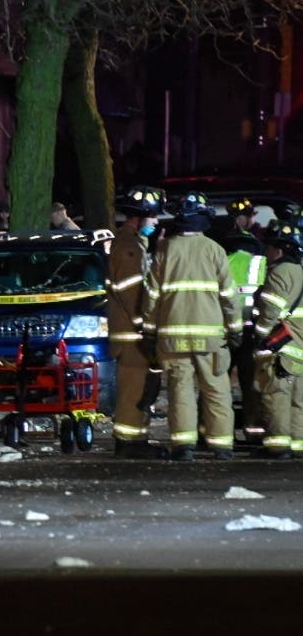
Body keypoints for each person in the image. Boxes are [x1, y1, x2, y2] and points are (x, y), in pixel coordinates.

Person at [141, 190, 240, 461]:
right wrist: (235, 329)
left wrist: (149, 331)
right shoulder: (215, 251)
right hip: (211, 339)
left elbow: (152, 297)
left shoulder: (165, 250)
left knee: (179, 390)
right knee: (216, 390)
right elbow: (229, 297)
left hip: (173, 339)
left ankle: (184, 446)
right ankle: (222, 446)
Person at [106, 185, 168, 459]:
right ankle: (129, 442)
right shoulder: (130, 249)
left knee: (141, 386)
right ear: (138, 218)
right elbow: (133, 295)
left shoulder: (132, 244)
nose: (155, 222)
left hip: (130, 333)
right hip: (132, 335)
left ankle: (134, 438)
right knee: (134, 387)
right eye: (152, 217)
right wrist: (146, 326)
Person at [251, 220, 303, 459]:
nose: (267, 252)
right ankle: (298, 444)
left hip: (282, 347)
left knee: (277, 396)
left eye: (269, 247)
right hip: (300, 346)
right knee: (298, 401)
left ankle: (278, 446)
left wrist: (260, 336)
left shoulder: (279, 273)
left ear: (279, 250)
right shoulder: (301, 271)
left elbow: (270, 311)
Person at [222, 206, 267, 443]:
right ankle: (254, 433)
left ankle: (214, 432)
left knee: (219, 384)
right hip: (252, 332)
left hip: (225, 332)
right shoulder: (260, 263)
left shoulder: (221, 262)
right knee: (252, 385)